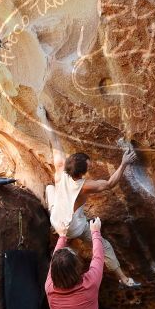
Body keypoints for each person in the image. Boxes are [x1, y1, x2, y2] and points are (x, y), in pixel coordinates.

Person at [37, 105, 140, 288]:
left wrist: (43, 117)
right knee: (104, 245)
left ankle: (59, 232)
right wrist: (124, 163)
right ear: (81, 174)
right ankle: (123, 278)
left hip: (55, 219)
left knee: (51, 189)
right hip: (73, 227)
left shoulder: (60, 167)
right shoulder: (84, 186)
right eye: (88, 166)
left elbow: (54, 140)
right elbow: (109, 184)